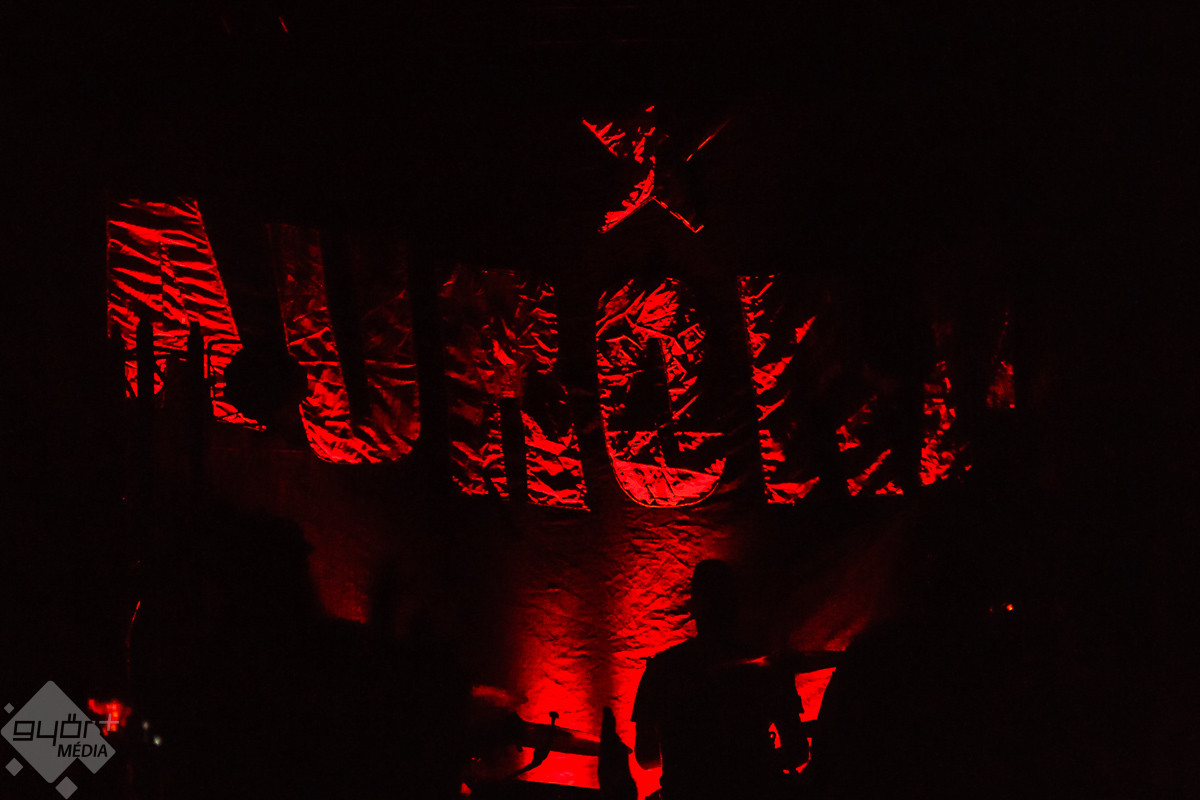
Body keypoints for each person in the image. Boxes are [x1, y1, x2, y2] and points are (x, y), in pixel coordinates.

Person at [632, 560, 808, 800]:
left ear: (693, 607)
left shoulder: (661, 669)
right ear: (735, 607)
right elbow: (797, 749)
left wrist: (688, 758)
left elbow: (645, 757)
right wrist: (751, 765)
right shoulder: (767, 667)